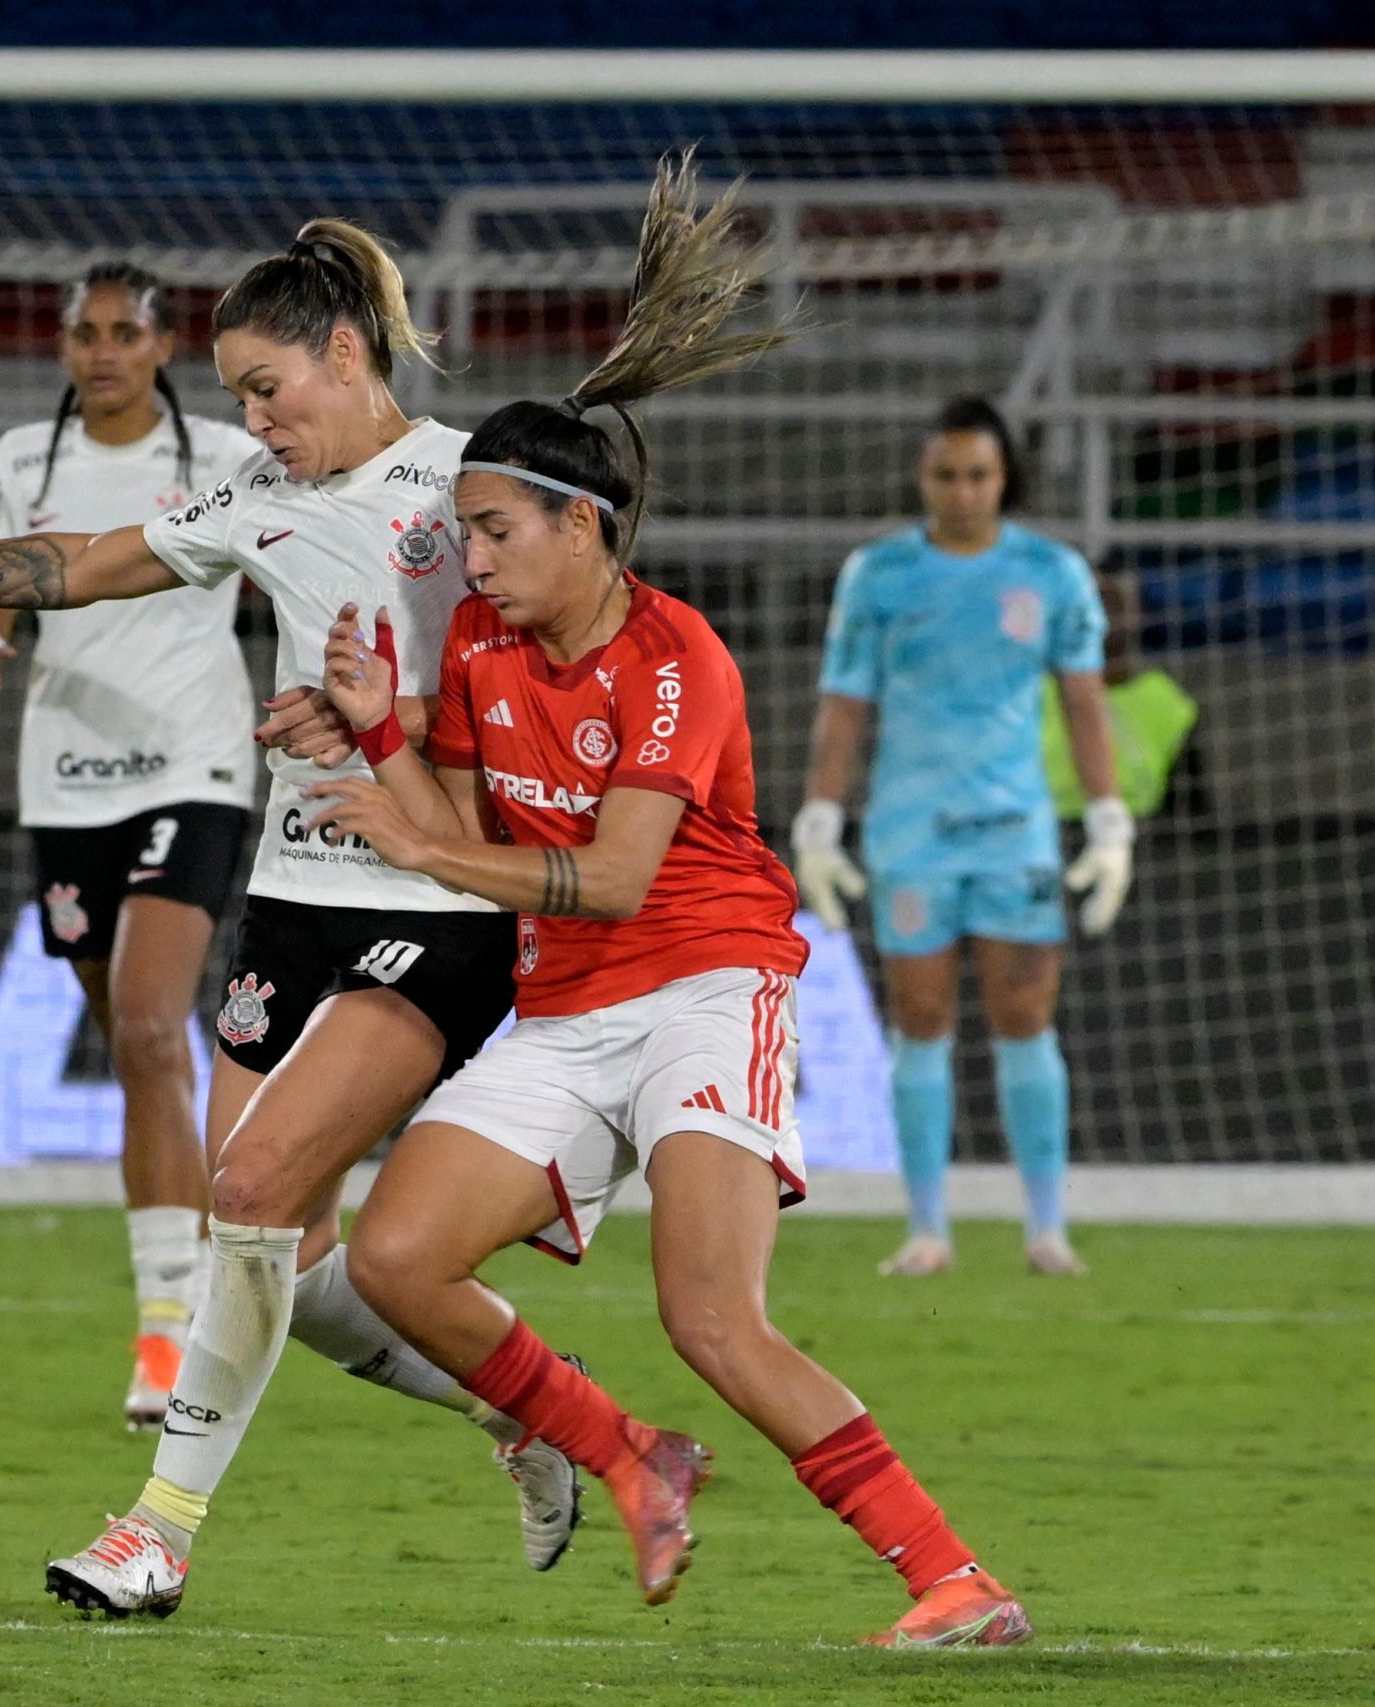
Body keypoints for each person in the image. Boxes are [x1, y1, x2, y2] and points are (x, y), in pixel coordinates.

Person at [0, 219, 578, 1619]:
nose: (253, 419)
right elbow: (77, 562)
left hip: (433, 892)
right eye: (239, 394)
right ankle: (526, 1409)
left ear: (345, 350)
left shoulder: (471, 484)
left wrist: (399, 715)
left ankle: (158, 1529)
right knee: (276, 1244)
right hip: (294, 890)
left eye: (269, 385)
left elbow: (567, 673)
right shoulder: (261, 497)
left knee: (255, 1195)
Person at [303, 153, 1032, 1652]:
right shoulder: (493, 664)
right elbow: (448, 821)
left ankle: (952, 1574)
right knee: (390, 1257)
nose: (476, 560)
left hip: (707, 979)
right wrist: (382, 725)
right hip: (566, 1001)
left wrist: (430, 849)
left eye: (497, 530)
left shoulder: (679, 655)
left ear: (583, 524)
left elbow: (621, 873)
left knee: (713, 1316)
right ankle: (630, 1454)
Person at [0, 262, 264, 1431]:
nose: (103, 352)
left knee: (143, 1024)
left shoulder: (226, 458)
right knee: (136, 1048)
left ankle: (165, 1339)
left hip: (196, 763)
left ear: (166, 343)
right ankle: (199, 1288)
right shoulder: (22, 459)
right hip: (64, 779)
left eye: (125, 332)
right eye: (84, 333)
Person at [791, 397, 1132, 1279]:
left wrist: (1107, 815)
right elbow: (844, 703)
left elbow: (1085, 701)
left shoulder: (1052, 574)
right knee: (922, 1019)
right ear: (923, 477)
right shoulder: (879, 574)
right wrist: (822, 817)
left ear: (1004, 477)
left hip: (1014, 831)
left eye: (979, 474)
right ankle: (928, 1227)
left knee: (1026, 1018)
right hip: (912, 834)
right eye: (946, 474)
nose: (963, 491)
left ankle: (1047, 1227)